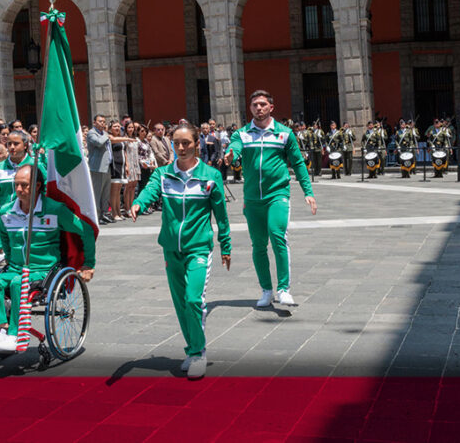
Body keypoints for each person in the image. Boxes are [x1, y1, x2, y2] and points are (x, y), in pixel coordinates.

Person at [130, 123, 231, 379]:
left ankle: (198, 352)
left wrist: (225, 246)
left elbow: (221, 215)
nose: (181, 147)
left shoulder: (210, 175)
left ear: (197, 143)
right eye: (176, 143)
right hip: (170, 250)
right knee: (180, 303)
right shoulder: (163, 174)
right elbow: (150, 191)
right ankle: (191, 348)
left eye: (186, 142)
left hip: (199, 247)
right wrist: (138, 204)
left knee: (193, 299)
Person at [0, 164, 95, 353]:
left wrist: (89, 263)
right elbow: (5, 240)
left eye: (24, 185)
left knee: (18, 283)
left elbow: (86, 231)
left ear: (38, 186)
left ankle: (15, 335)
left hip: (44, 270)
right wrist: (10, 259)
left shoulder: (54, 209)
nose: (18, 190)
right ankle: (3, 330)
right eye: (16, 185)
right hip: (16, 268)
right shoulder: (7, 211)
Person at [223, 90, 316, 307]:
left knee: (277, 236)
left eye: (263, 104)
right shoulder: (242, 134)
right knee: (258, 245)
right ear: (250, 108)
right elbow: (234, 149)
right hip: (253, 199)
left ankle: (284, 289)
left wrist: (308, 192)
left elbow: (298, 163)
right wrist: (230, 155)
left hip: (278, 195)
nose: (259, 108)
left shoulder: (284, 134)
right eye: (255, 104)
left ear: (271, 107)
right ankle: (266, 290)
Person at [0, 130, 38, 267]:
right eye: (9, 144)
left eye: (16, 144)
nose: (11, 147)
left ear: (25, 145)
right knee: (11, 254)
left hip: (30, 216)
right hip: (7, 217)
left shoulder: (35, 165)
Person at [85, 114, 113, 225]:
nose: (102, 123)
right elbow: (99, 143)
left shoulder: (104, 133)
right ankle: (96, 215)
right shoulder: (92, 133)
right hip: (97, 167)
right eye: (100, 121)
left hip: (106, 166)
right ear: (94, 122)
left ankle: (105, 213)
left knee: (105, 192)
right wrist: (107, 135)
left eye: (104, 122)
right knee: (97, 193)